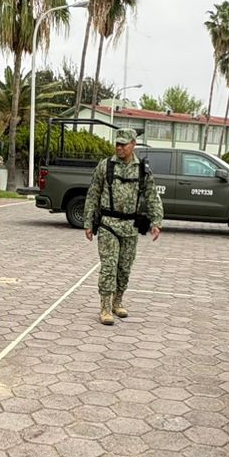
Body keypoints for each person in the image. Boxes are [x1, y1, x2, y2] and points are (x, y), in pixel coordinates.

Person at [83, 127, 163, 325]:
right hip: (108, 225)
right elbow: (93, 194)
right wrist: (88, 222)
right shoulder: (105, 166)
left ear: (133, 145)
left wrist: (156, 222)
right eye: (117, 143)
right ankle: (104, 307)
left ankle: (118, 301)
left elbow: (152, 196)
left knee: (124, 268)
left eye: (123, 144)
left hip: (130, 227)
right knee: (109, 267)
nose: (119, 147)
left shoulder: (142, 169)